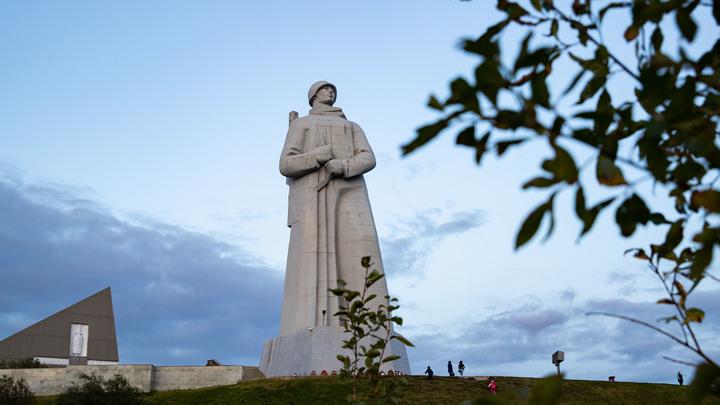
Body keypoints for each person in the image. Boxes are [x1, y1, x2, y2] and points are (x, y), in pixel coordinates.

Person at [278, 81, 391, 336]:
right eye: (325, 89)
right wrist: (315, 157)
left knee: (364, 254)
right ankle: (312, 325)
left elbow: (368, 157)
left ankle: (374, 332)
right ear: (314, 96)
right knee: (312, 261)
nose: (331, 92)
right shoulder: (301, 124)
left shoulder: (352, 127)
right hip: (312, 196)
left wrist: (344, 166)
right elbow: (285, 164)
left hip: (351, 191)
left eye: (333, 90)